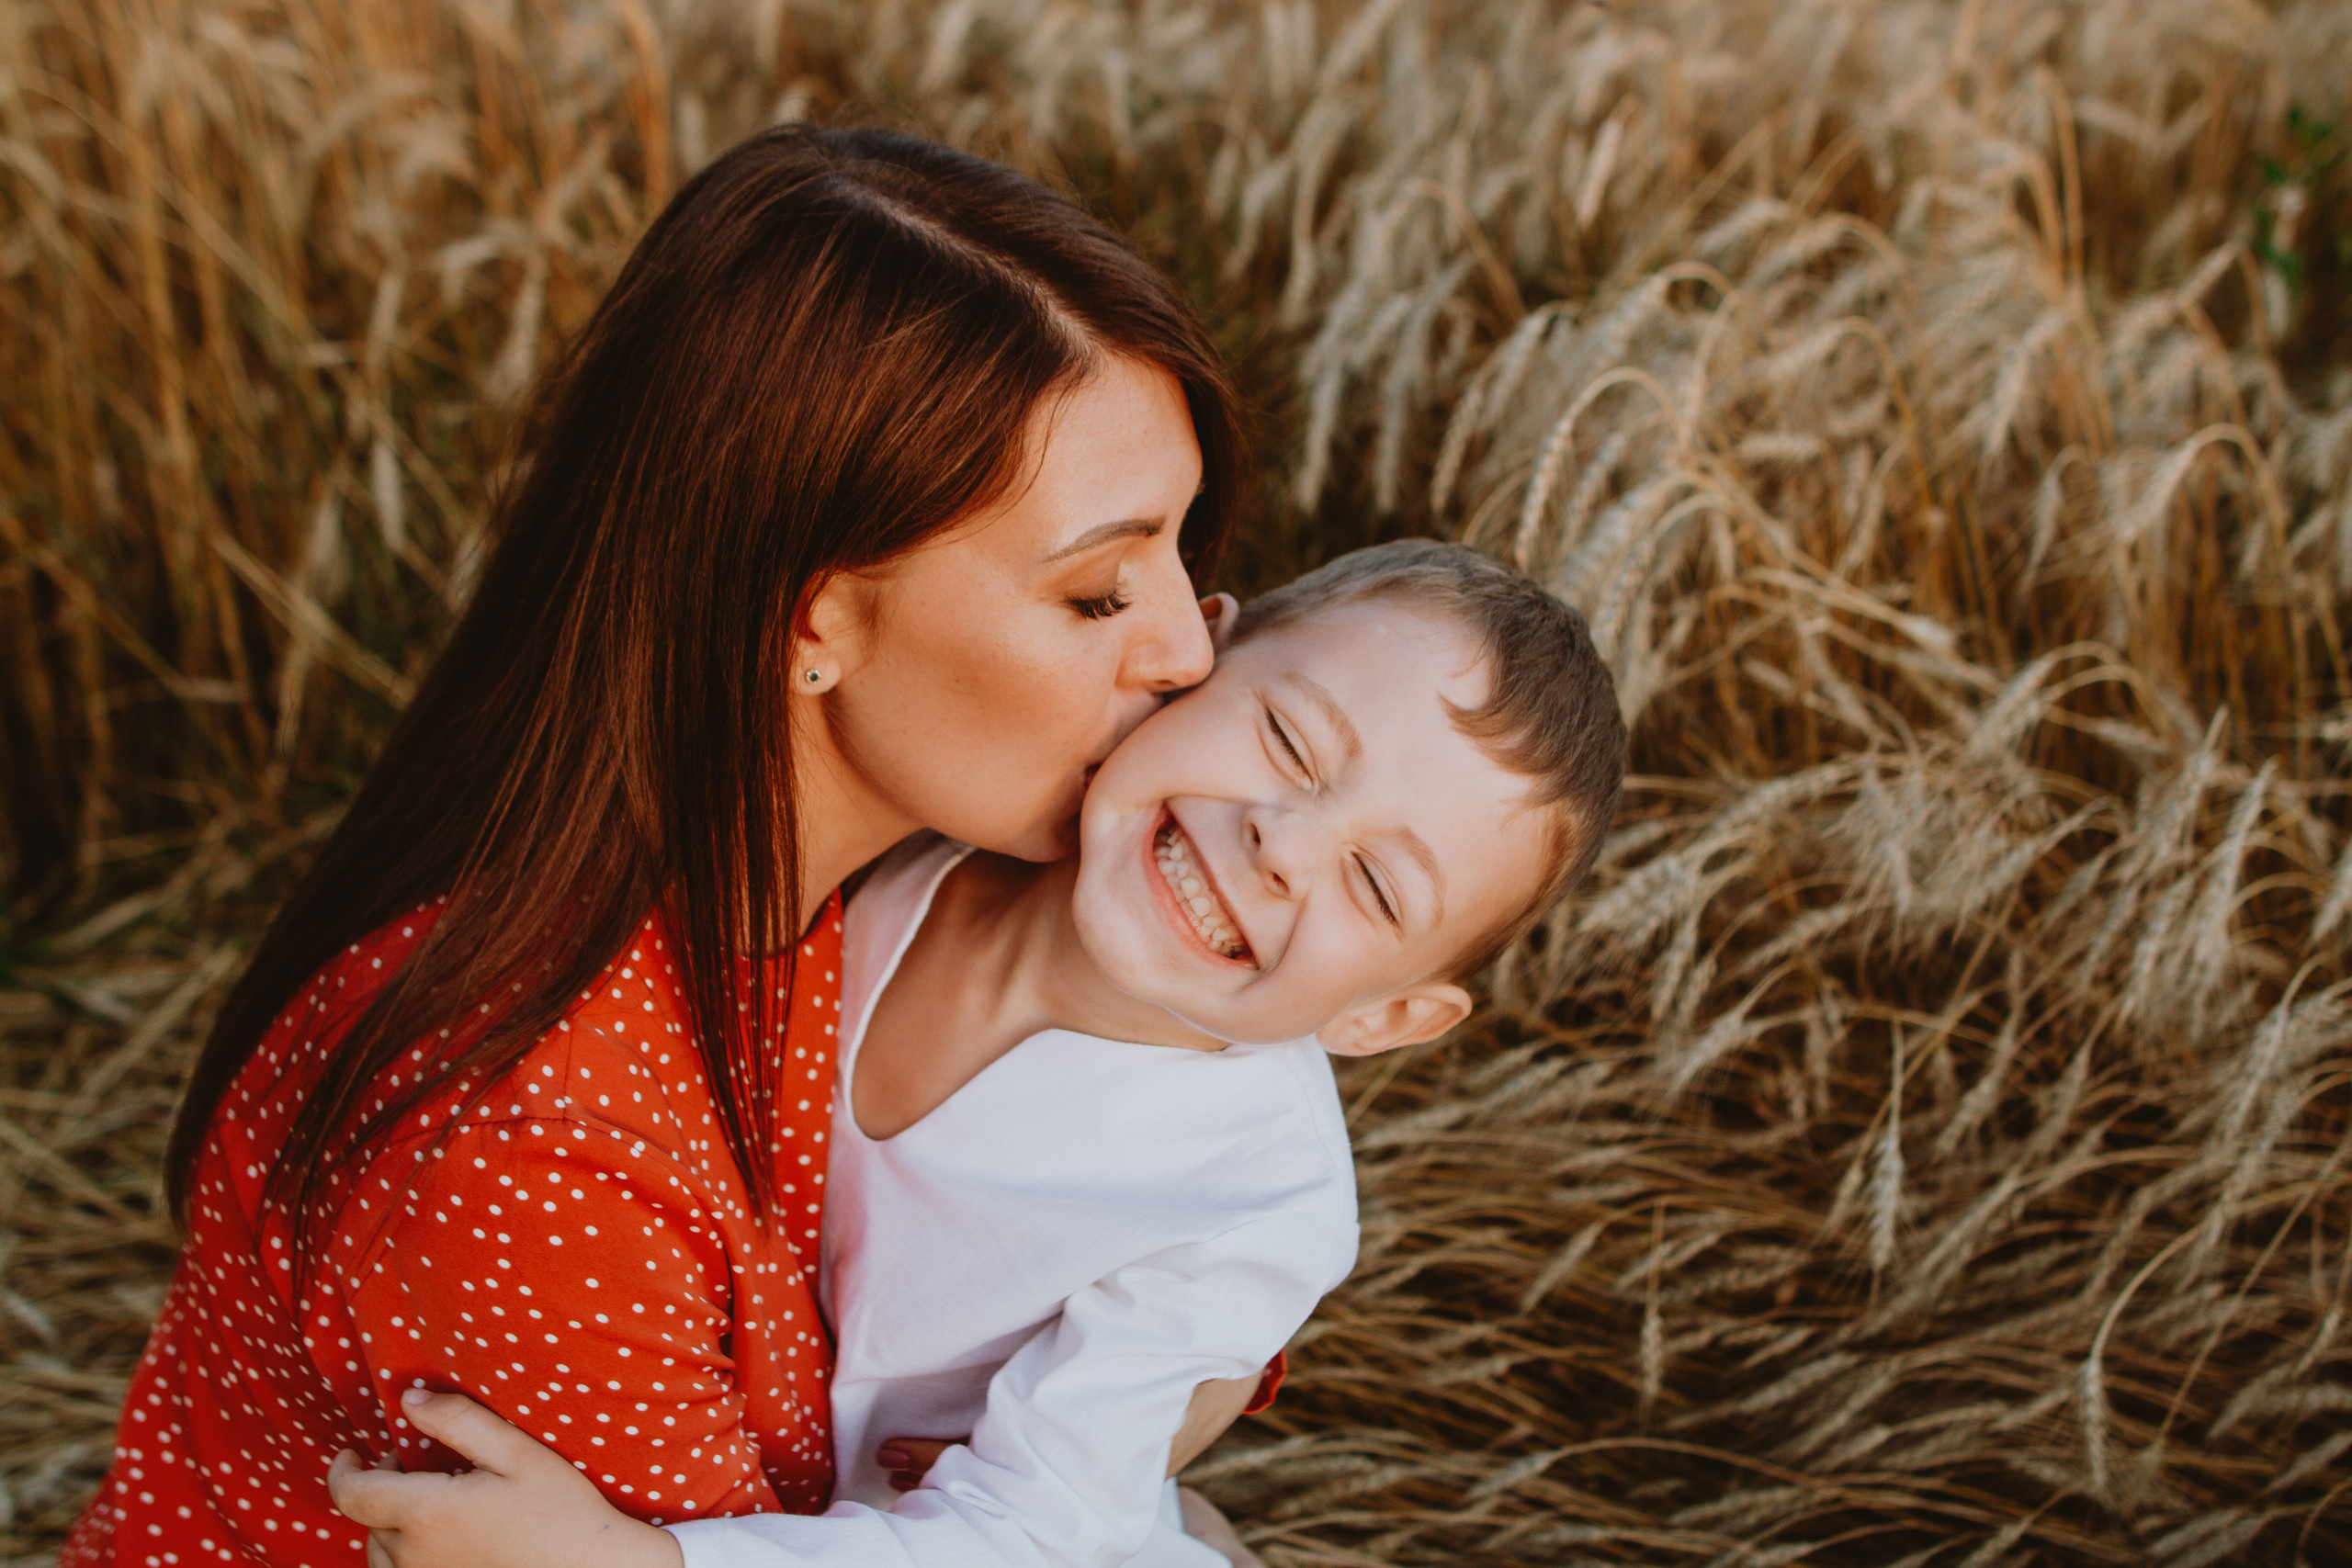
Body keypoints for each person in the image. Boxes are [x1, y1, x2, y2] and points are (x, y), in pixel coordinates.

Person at [62, 122, 1258, 1568]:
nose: (1192, 651)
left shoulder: (866, 895)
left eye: (1185, 558)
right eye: (1095, 595)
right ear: (814, 618)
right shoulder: (532, 1157)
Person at [322, 540, 1628, 1568]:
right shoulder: (932, 831)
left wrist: (637, 1564)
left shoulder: (1251, 1209)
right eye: (1288, 740)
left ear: (1383, 1021)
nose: (1284, 843)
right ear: (1195, 653)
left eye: (1379, 891)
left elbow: (1029, 1532)